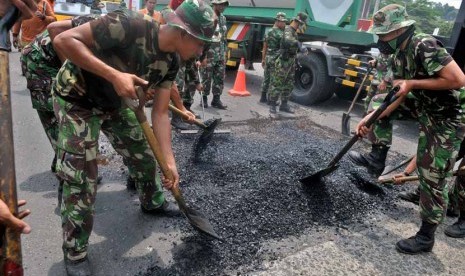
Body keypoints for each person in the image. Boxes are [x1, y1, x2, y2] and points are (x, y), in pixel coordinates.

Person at [51, 0, 215, 274]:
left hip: (116, 103)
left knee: (144, 155)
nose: (201, 51)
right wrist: (114, 75)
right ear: (183, 32)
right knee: (81, 176)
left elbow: (161, 114)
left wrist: (170, 161)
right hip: (77, 99)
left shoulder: (170, 62)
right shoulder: (129, 25)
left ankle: (153, 201)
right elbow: (64, 40)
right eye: (200, 43)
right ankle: (75, 252)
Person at [354, 4, 465, 255]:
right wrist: (370, 119)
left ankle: (426, 236)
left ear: (400, 30)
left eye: (383, 34)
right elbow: (397, 95)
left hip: (447, 117)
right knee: (377, 105)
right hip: (425, 106)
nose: (380, 39)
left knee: (432, 175)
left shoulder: (422, 45)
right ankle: (376, 157)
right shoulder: (398, 54)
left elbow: (458, 79)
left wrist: (412, 82)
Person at [269, 12, 308, 114]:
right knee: (278, 83)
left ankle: (284, 105)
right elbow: (287, 40)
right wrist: (299, 44)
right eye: (300, 23)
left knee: (289, 84)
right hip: (283, 61)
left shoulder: (294, 31)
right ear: (298, 22)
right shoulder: (287, 29)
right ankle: (272, 104)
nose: (300, 26)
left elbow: (293, 48)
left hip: (290, 61)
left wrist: (296, 59)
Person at [200, 0, 229, 109]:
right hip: (209, 53)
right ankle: (204, 99)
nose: (223, 7)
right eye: (220, 4)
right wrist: (203, 55)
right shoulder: (207, 17)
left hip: (220, 53)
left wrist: (225, 53)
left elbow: (224, 38)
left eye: (224, 5)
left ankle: (216, 100)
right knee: (206, 77)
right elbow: (203, 37)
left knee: (219, 78)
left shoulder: (223, 18)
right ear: (214, 4)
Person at [260, 12, 287, 104]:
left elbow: (264, 47)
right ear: (277, 21)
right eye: (283, 22)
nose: (284, 24)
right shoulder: (282, 34)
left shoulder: (268, 31)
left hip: (268, 57)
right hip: (276, 59)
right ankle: (271, 100)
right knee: (274, 79)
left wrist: (263, 59)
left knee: (266, 78)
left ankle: (263, 97)